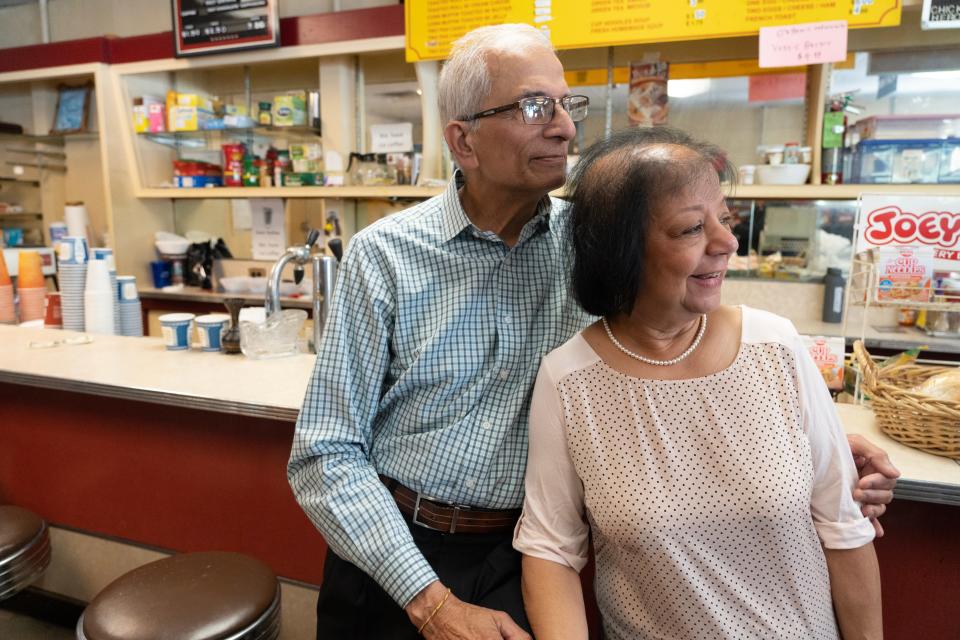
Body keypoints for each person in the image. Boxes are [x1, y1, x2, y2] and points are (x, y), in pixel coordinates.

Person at [288, 25, 897, 640]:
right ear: (462, 140)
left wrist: (806, 433)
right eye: (533, 107)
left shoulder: (599, 243)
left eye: (565, 103)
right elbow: (325, 452)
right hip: (392, 551)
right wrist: (432, 603)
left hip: (520, 551)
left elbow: (681, 346)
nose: (565, 127)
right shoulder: (384, 255)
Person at [514, 127, 883, 640]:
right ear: (621, 251)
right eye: (691, 229)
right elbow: (551, 550)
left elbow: (844, 527)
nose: (728, 241)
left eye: (724, 220)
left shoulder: (774, 345)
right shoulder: (568, 379)